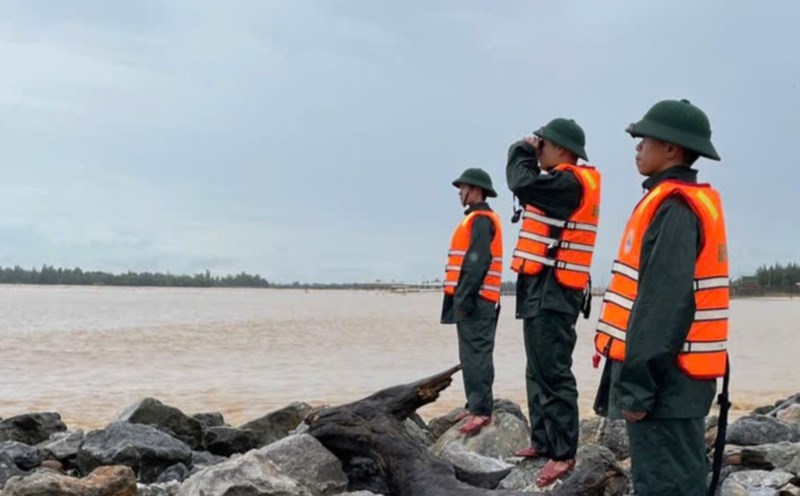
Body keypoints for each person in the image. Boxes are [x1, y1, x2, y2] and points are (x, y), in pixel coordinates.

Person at [593, 99, 728, 496]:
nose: (637, 147)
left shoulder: (674, 207)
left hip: (667, 383)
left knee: (665, 485)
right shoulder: (674, 202)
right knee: (675, 480)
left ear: (671, 148)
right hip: (675, 380)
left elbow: (662, 306)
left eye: (644, 139)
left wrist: (637, 388)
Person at [506, 118, 602, 487]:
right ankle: (544, 441)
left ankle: (563, 454)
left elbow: (521, 182)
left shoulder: (568, 182)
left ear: (562, 150)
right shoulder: (559, 182)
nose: (537, 148)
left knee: (554, 371)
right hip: (542, 288)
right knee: (537, 368)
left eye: (543, 143)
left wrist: (519, 149)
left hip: (556, 292)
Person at [441, 167, 503, 436]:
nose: (460, 192)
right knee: (471, 354)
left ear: (476, 190)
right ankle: (474, 404)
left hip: (477, 300)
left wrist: (464, 298)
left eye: (463, 187)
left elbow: (478, 262)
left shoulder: (481, 219)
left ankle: (480, 411)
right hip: (474, 299)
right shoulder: (476, 219)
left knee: (476, 354)